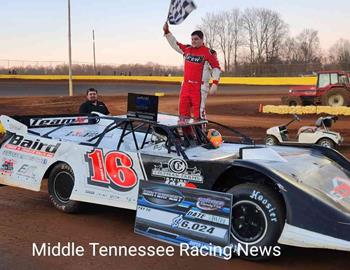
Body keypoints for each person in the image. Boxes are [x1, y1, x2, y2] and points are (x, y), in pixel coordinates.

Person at [163, 22, 221, 120]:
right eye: (192, 39)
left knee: (198, 113)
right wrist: (167, 31)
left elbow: (216, 68)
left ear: (202, 40)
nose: (193, 41)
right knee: (183, 112)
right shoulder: (187, 49)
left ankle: (200, 134)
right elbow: (174, 43)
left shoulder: (209, 52)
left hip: (200, 88)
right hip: (186, 86)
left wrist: (215, 83)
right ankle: (187, 134)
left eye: (196, 39)